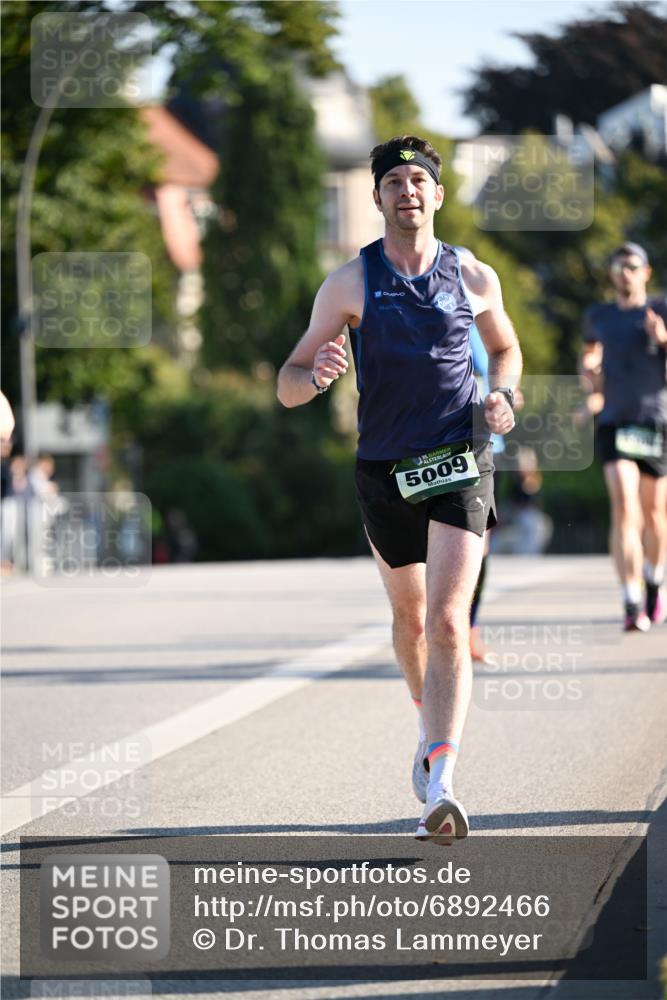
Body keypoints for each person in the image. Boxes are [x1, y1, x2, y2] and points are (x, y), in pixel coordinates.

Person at [277, 135, 522, 844]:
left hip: (461, 460)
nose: (407, 190)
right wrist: (317, 373)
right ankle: (426, 721)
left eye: (419, 180)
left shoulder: (473, 275)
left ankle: (441, 784)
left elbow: (504, 349)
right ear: (377, 196)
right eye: (393, 182)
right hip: (383, 469)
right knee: (410, 621)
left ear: (437, 195)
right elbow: (287, 384)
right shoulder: (348, 285)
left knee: (449, 621)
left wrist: (502, 394)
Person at [581, 242, 667, 631]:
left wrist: (662, 339)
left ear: (645, 272)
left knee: (653, 515)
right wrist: (590, 377)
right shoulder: (598, 316)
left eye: (632, 266)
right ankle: (630, 600)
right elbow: (591, 369)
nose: (624, 273)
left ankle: (653, 580)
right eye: (618, 267)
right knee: (623, 506)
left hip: (654, 423)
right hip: (616, 421)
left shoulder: (661, 311)